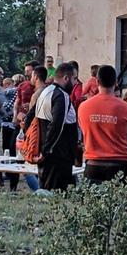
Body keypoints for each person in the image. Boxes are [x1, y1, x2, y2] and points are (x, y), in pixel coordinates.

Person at [78, 65, 127, 183]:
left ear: (97, 81)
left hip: (93, 163)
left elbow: (83, 132)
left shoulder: (83, 107)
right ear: (116, 82)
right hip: (119, 165)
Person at [30, 62, 79, 191]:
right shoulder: (61, 95)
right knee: (56, 195)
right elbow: (57, 125)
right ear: (66, 78)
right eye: (74, 79)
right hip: (58, 155)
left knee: (46, 191)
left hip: (48, 152)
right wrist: (46, 151)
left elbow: (30, 117)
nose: (75, 83)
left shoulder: (46, 91)